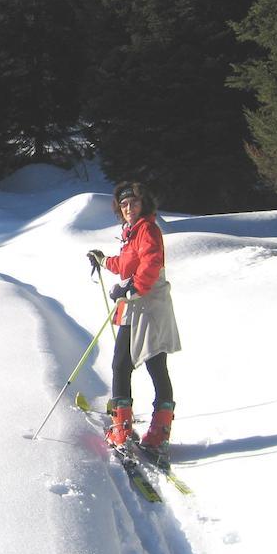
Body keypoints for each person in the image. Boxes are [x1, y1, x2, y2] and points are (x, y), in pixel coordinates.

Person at [87, 181, 181, 456]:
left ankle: (143, 431)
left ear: (144, 204)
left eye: (134, 203)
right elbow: (127, 264)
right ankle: (133, 429)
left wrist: (132, 288)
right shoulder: (133, 233)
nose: (128, 208)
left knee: (148, 363)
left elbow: (151, 263)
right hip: (134, 306)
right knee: (129, 363)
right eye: (124, 204)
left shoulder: (149, 229)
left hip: (149, 306)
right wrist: (104, 261)